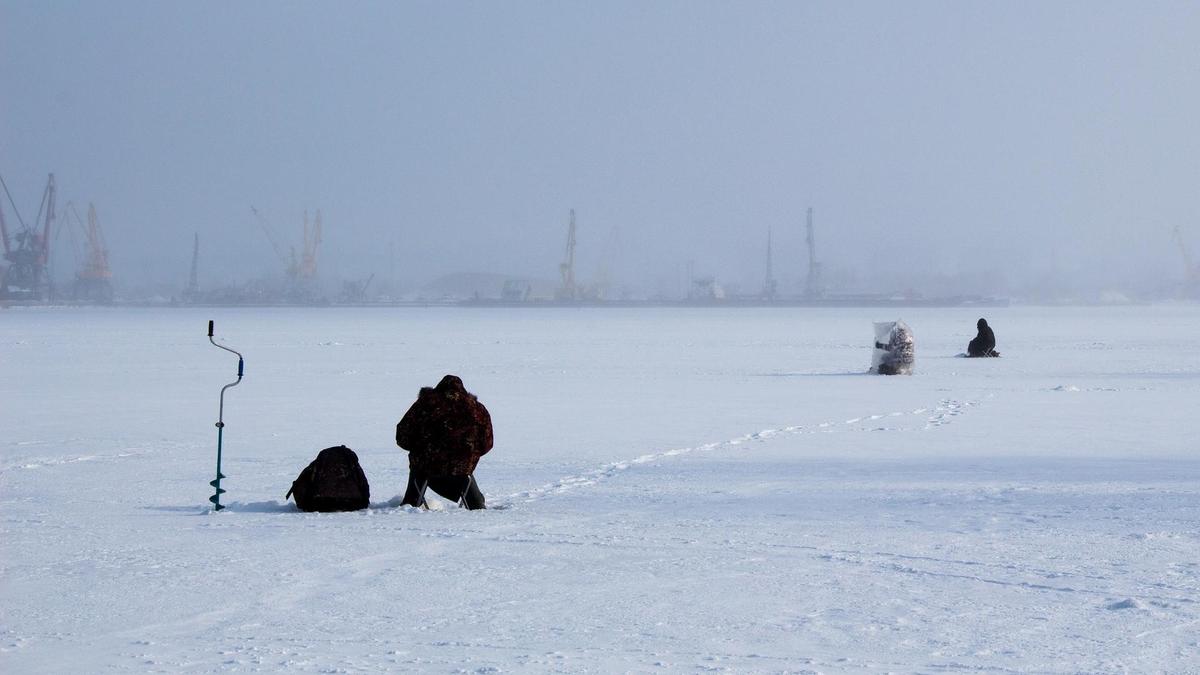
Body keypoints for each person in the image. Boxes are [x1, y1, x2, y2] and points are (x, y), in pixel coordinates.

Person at [396, 374, 492, 509]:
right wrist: (470, 454)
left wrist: (418, 448)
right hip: (462, 468)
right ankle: (476, 502)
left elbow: (402, 435)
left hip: (426, 465)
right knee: (463, 472)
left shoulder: (424, 404)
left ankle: (412, 502)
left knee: (421, 469)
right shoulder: (476, 409)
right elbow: (487, 442)